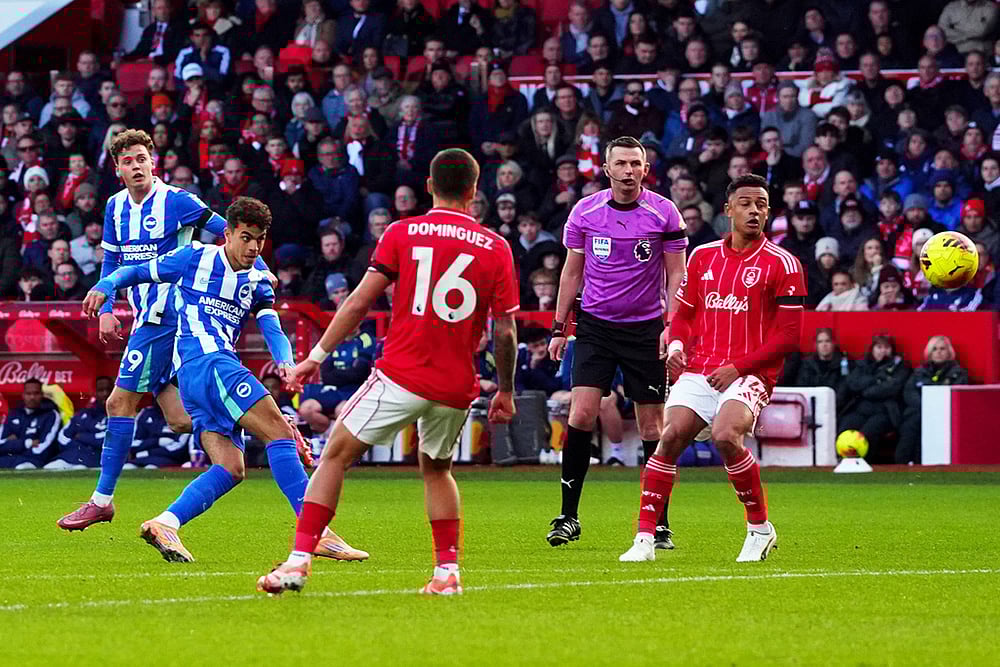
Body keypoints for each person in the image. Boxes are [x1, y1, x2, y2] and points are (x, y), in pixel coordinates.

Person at [257, 148, 520, 596]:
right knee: (438, 469)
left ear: (430, 186)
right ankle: (446, 573)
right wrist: (507, 392)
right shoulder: (496, 247)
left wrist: (314, 357)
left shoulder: (403, 232)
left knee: (335, 453)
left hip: (402, 373)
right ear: (475, 191)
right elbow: (506, 332)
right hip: (456, 385)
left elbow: (358, 301)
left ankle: (299, 562)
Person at [81, 196, 365, 562]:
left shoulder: (260, 280)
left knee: (231, 468)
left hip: (202, 377)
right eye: (245, 237)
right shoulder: (193, 258)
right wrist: (104, 288)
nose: (252, 247)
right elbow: (134, 271)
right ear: (227, 233)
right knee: (278, 433)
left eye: (259, 239)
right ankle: (317, 532)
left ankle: (165, 523)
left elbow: (271, 326)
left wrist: (284, 361)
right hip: (209, 364)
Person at [56, 129, 271, 532]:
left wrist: (260, 270)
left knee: (119, 403)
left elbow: (234, 233)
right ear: (117, 168)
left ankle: (101, 501)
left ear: (153, 162)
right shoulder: (115, 208)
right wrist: (107, 303)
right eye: (127, 161)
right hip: (144, 315)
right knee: (178, 419)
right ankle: (254, 419)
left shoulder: (179, 201)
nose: (136, 166)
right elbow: (114, 260)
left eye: (142, 158)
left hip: (173, 318)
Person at [619, 173, 805, 564]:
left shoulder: (784, 264)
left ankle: (759, 529)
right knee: (668, 438)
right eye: (746, 204)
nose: (754, 211)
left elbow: (787, 339)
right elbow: (683, 314)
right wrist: (676, 344)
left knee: (725, 435)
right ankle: (644, 538)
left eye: (761, 205)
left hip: (752, 373)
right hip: (702, 368)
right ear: (728, 210)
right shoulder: (702, 256)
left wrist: (738, 368)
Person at [545, 135, 688, 550]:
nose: (629, 171)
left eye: (636, 164)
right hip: (595, 326)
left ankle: (658, 521)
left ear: (646, 169)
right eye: (621, 164)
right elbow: (571, 274)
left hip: (645, 329)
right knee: (582, 412)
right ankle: (568, 515)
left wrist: (671, 324)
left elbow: (677, 273)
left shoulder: (664, 212)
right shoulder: (585, 212)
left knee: (652, 426)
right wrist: (559, 327)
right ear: (607, 169)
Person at [896, 335, 970, 464]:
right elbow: (909, 392)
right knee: (911, 423)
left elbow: (959, 395)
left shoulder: (958, 373)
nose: (939, 352)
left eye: (942, 348)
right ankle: (902, 464)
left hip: (945, 416)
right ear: (929, 352)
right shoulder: (919, 372)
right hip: (919, 413)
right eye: (935, 349)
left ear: (949, 352)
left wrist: (933, 408)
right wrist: (925, 407)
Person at [837, 334, 910, 462]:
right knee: (846, 426)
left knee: (868, 432)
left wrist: (866, 390)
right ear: (872, 349)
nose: (883, 351)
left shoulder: (901, 366)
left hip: (885, 412)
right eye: (879, 347)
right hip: (860, 409)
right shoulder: (861, 365)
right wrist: (876, 380)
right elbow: (853, 383)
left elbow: (891, 388)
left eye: (887, 347)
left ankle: (863, 463)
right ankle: (842, 461)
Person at [44, 376, 113, 470]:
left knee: (80, 468)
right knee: (49, 468)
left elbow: (110, 440)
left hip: (96, 460)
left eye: (109, 390)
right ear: (95, 393)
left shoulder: (119, 416)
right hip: (71, 456)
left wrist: (81, 437)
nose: (105, 394)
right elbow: (63, 436)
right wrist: (80, 446)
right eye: (101, 390)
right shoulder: (82, 414)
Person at [0, 379, 61, 469]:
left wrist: (14, 443)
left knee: (21, 468)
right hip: (9, 458)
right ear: (23, 395)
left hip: (34, 460)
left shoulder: (51, 415)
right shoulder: (14, 414)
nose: (32, 397)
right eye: (28, 394)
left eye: (36, 393)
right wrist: (27, 443)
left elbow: (43, 447)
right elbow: (1, 444)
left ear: (42, 395)